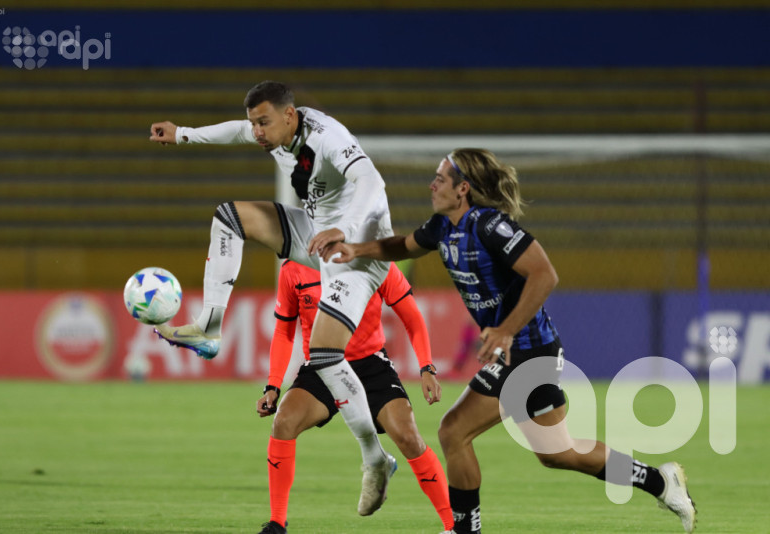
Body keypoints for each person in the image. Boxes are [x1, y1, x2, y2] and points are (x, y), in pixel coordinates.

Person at [320, 148, 697, 534]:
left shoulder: (491, 226)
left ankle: (465, 530)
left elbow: (545, 275)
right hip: (524, 353)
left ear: (462, 188)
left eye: (440, 178)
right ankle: (661, 482)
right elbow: (402, 246)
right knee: (558, 452)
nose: (432, 184)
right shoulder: (441, 227)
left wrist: (505, 330)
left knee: (453, 431)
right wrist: (356, 249)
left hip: (529, 353)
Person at [148, 81, 396, 516]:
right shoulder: (273, 132)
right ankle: (209, 328)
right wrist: (183, 133)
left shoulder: (327, 137)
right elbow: (234, 130)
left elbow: (371, 180)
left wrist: (345, 228)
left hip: (361, 250)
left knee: (324, 355)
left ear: (290, 115)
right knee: (229, 217)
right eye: (254, 123)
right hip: (317, 235)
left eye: (263, 123)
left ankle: (375, 458)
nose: (257, 132)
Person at [255, 260, 454, 534]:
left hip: (370, 364)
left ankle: (455, 526)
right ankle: (277, 523)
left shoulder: (374, 258)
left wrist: (426, 367)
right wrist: (273, 385)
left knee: (408, 436)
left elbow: (412, 317)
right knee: (283, 422)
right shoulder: (293, 268)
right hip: (321, 364)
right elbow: (283, 331)